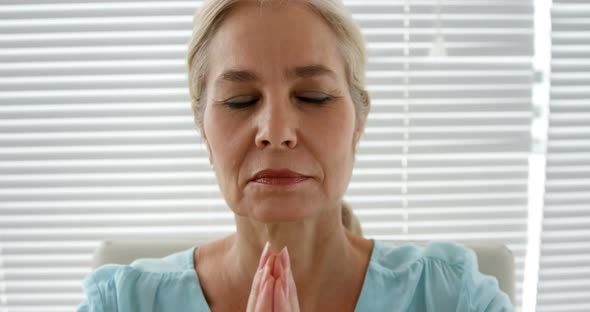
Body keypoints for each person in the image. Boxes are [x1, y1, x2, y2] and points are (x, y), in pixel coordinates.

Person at [77, 0, 514, 311]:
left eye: (313, 97)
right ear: (203, 130)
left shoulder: (453, 298)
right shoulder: (121, 303)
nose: (276, 132)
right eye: (239, 101)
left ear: (358, 121)